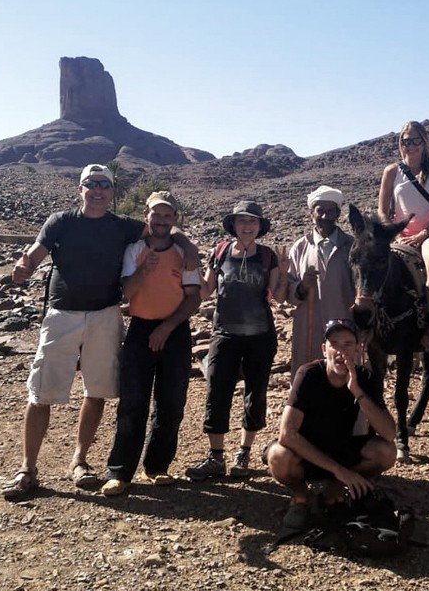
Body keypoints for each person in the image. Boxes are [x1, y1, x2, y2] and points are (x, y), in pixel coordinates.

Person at [1, 164, 198, 500]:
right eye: (90, 185)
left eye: (104, 185)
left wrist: (187, 244)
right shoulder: (61, 221)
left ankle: (80, 462)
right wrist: (24, 267)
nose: (97, 191)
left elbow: (163, 229)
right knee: (42, 391)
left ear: (112, 192)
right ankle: (27, 468)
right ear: (80, 189)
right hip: (62, 313)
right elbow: (34, 253)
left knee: (96, 390)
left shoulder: (123, 227)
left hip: (106, 315)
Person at [100, 191, 202, 496]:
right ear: (147, 215)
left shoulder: (185, 254)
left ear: (175, 219)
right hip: (140, 329)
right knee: (133, 402)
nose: (161, 221)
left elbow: (194, 296)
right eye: (156, 215)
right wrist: (145, 268)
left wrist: (168, 327)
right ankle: (120, 472)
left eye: (167, 216)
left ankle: (157, 467)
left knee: (171, 402)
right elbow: (128, 293)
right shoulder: (134, 249)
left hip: (176, 330)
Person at [187, 201, 287, 481]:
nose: (247, 226)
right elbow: (207, 292)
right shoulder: (220, 252)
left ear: (259, 227)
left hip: (260, 336)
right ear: (233, 225)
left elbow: (278, 298)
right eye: (242, 221)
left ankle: (243, 453)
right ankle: (216, 456)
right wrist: (194, 269)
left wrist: (285, 272)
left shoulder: (268, 257)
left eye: (252, 222)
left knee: (255, 394)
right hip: (225, 333)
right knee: (217, 391)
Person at [265, 318, 396, 531]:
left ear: (358, 349)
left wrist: (357, 391)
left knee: (386, 452)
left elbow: (389, 434)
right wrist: (339, 470)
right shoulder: (308, 374)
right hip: (308, 450)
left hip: (342, 446)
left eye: (347, 345)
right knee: (279, 456)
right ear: (324, 349)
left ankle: (335, 489)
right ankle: (301, 497)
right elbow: (287, 434)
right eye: (334, 344)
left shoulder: (366, 378)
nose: (340, 351)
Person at [377, 120, 429, 351]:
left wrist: (422, 235)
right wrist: (395, 233)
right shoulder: (392, 171)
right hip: (399, 235)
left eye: (415, 140)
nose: (410, 146)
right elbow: (382, 210)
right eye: (406, 141)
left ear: (424, 141)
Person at [285, 185, 356, 374]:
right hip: (309, 323)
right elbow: (288, 290)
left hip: (344, 323)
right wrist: (301, 287)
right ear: (311, 214)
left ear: (338, 214)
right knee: (309, 374)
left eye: (331, 211)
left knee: (344, 372)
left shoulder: (351, 247)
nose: (325, 216)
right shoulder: (300, 248)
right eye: (320, 211)